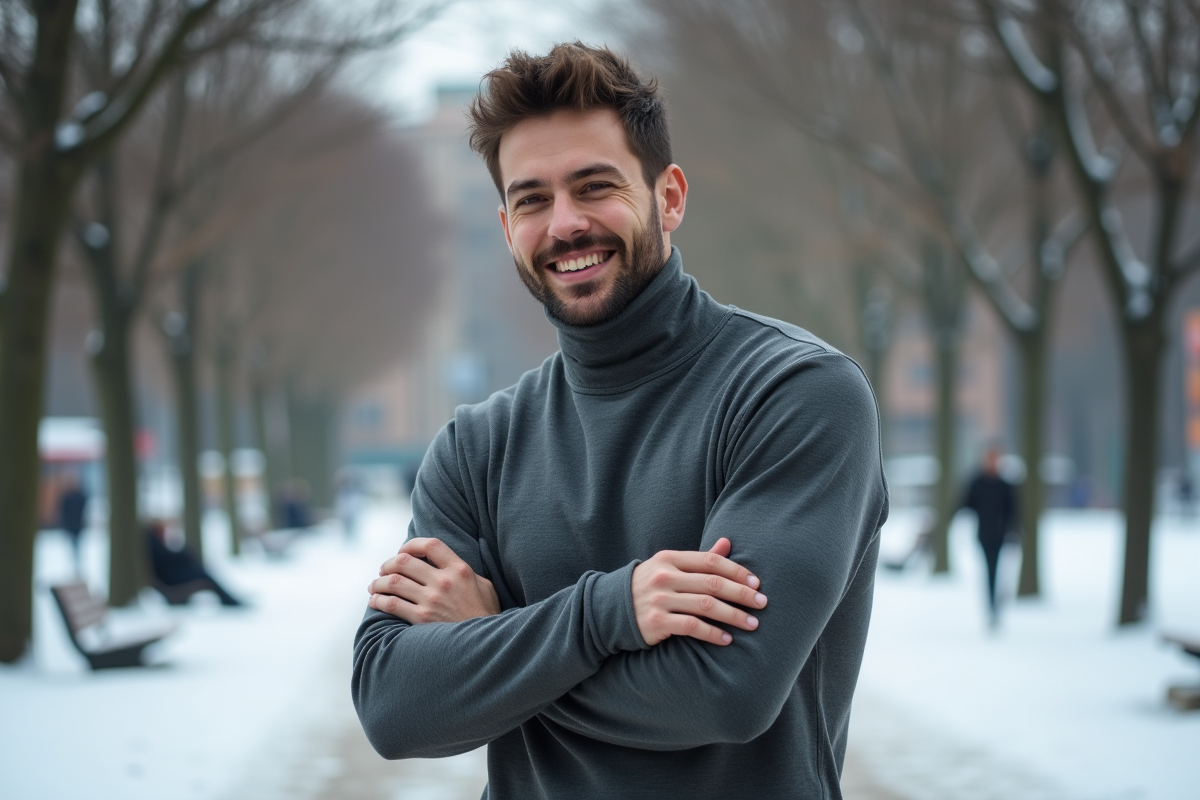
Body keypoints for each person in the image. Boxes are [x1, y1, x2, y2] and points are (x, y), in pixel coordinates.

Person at [353, 43, 888, 798]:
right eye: (532, 199)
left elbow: (725, 691)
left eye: (594, 186)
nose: (565, 224)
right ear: (507, 228)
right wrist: (608, 614)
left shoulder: (795, 393)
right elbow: (393, 707)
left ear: (669, 197)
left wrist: (490, 639)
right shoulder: (476, 447)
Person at [962, 444, 1017, 629]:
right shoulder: (977, 482)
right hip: (984, 536)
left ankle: (996, 606)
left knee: (999, 572)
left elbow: (1013, 512)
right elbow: (966, 503)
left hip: (1001, 536)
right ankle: (992, 608)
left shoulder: (1005, 485)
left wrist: (1013, 533)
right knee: (989, 572)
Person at [145, 521, 244, 607]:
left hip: (174, 577)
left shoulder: (155, 543)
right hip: (172, 581)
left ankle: (229, 599)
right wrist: (185, 553)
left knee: (204, 574)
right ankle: (230, 600)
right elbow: (171, 559)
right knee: (205, 577)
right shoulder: (153, 544)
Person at [57, 471, 88, 576]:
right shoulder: (68, 497)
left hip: (76, 526)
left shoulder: (76, 497)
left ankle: (76, 566)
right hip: (72, 527)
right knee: (73, 547)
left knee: (76, 547)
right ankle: (74, 566)